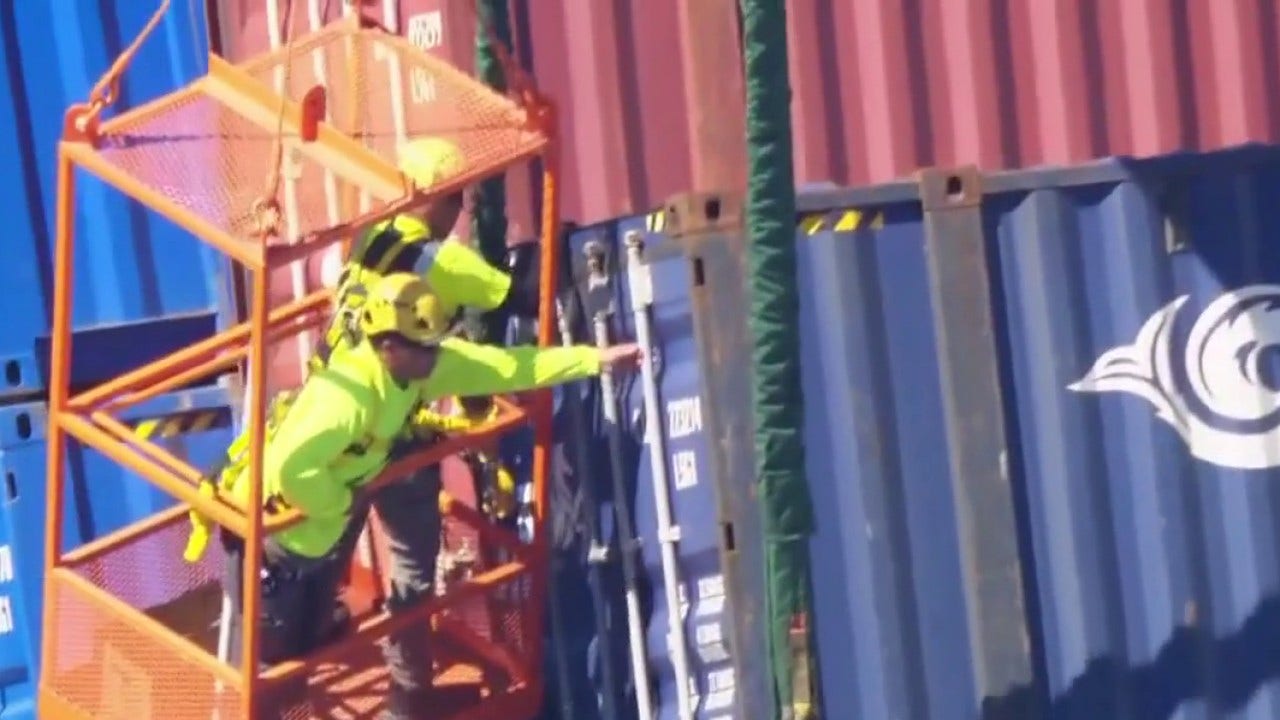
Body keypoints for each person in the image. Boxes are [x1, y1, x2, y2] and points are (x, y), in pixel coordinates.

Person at [218, 272, 641, 719]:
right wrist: (337, 505)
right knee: (273, 661)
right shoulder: (345, 398)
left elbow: (509, 366)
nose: (437, 355)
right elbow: (291, 470)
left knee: (312, 634)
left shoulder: (418, 366)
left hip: (319, 535)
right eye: (427, 347)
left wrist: (596, 360)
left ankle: (396, 694)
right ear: (389, 347)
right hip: (273, 543)